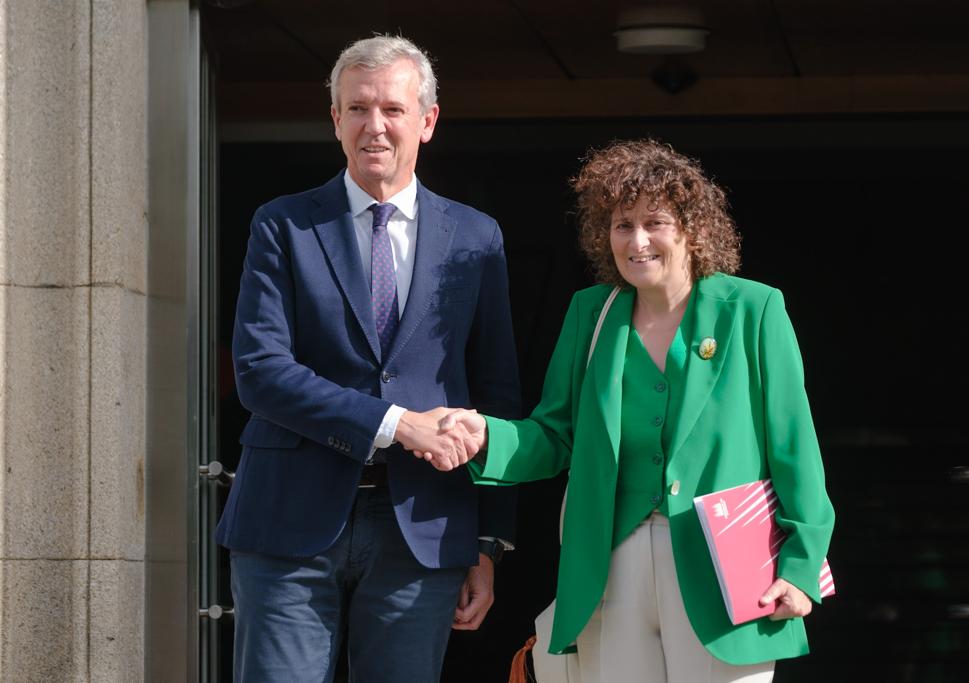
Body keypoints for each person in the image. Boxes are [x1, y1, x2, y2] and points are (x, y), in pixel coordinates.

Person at [433, 139, 835, 683]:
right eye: (622, 225)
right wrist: (485, 437)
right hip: (609, 566)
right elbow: (555, 435)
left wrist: (801, 567)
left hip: (724, 571)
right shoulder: (590, 313)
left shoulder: (753, 309)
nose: (637, 240)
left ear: (692, 230)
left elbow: (794, 449)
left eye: (655, 223)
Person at [215, 35, 520, 683]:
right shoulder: (283, 224)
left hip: (424, 526)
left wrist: (489, 541)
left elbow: (496, 390)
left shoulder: (475, 237)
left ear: (427, 121)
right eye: (356, 108)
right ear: (334, 119)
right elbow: (260, 372)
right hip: (288, 521)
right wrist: (395, 422)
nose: (373, 126)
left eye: (392, 109)